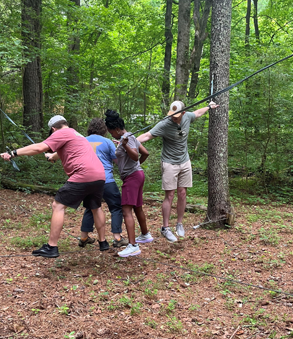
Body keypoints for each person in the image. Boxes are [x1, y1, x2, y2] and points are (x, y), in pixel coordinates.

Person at [0, 115, 109, 257]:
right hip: (99, 175)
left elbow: (39, 148)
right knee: (96, 207)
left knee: (58, 206)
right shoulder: (77, 134)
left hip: (83, 174)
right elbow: (63, 151)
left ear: (53, 129)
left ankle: (52, 247)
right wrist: (52, 156)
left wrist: (13, 153)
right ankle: (103, 242)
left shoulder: (61, 133)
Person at [136, 99, 218, 242]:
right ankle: (165, 228)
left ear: (183, 113)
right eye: (172, 115)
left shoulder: (187, 117)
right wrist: (131, 141)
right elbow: (147, 135)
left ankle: (179, 224)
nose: (173, 117)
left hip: (184, 161)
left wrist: (209, 107)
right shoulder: (165, 124)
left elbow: (197, 113)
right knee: (170, 195)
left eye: (176, 115)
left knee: (182, 193)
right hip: (169, 163)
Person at [105, 109, 153, 257]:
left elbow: (136, 156)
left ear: (117, 129)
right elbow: (145, 153)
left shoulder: (127, 138)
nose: (111, 134)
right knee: (137, 207)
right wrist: (122, 145)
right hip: (137, 175)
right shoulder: (128, 137)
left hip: (132, 177)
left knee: (126, 210)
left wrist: (124, 146)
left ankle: (133, 245)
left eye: (111, 132)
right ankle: (145, 235)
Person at [79, 118, 128, 249]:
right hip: (106, 179)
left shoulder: (82, 141)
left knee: (91, 207)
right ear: (104, 129)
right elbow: (117, 161)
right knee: (116, 207)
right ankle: (117, 237)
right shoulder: (107, 142)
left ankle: (84, 236)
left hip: (88, 180)